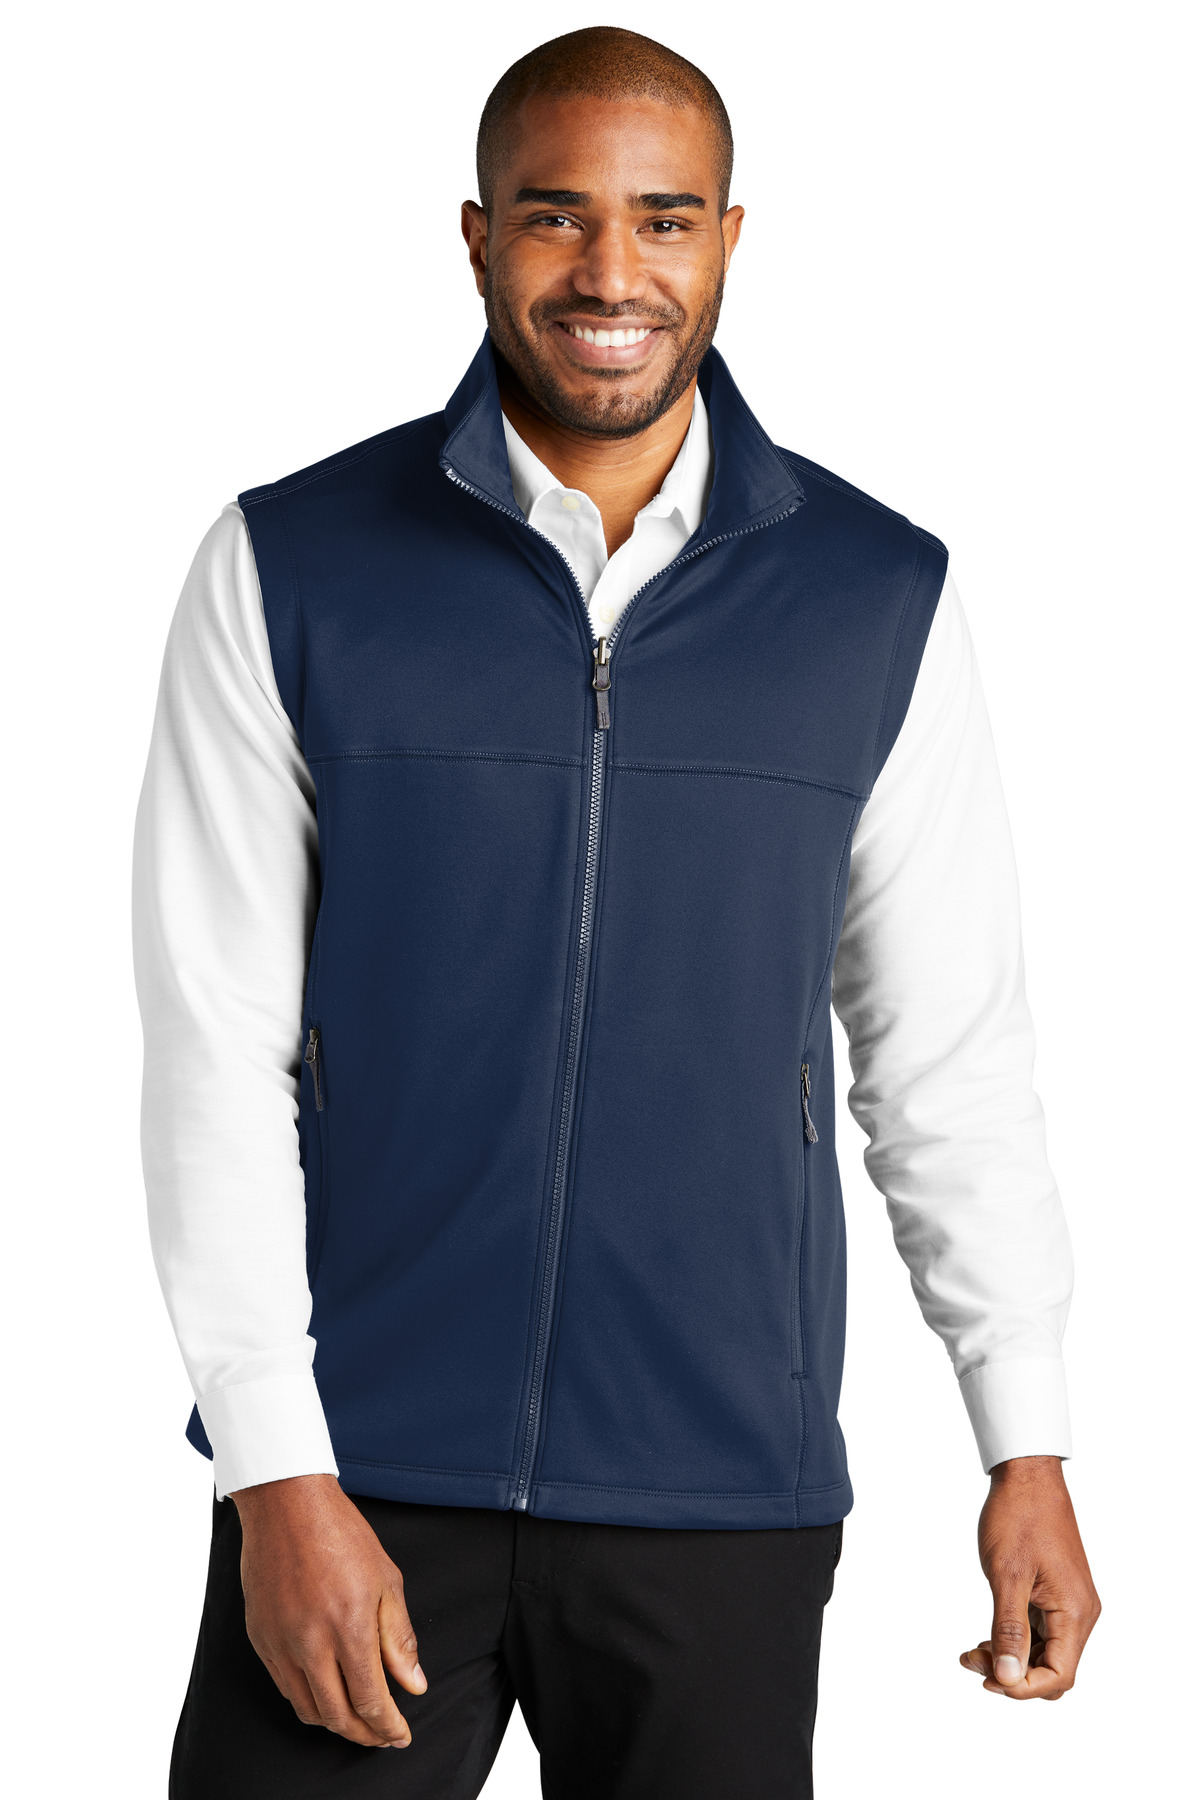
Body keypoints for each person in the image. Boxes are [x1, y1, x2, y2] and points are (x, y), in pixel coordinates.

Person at [133, 26, 1100, 1799]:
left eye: (662, 219)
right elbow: (217, 1049)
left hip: (717, 1486)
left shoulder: (875, 598)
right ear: (475, 235)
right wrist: (273, 1467)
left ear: (729, 237)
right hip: (361, 1473)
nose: (609, 273)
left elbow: (946, 1059)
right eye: (554, 214)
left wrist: (1022, 1440)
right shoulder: (292, 567)